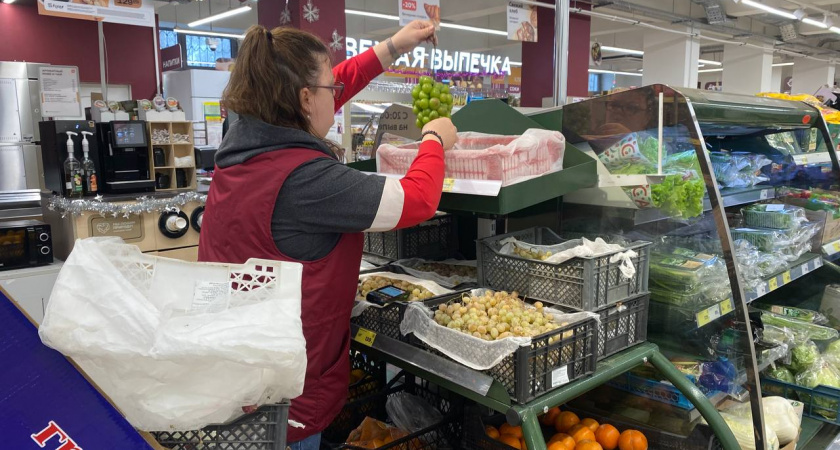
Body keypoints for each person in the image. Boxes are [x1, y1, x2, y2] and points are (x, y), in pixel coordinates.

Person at [197, 21, 458, 449]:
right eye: (329, 90)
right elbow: (417, 200)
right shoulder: (306, 178)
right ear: (303, 97)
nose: (336, 95)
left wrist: (394, 46)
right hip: (286, 401)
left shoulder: (244, 143)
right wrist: (433, 140)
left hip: (240, 373)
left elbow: (333, 85)